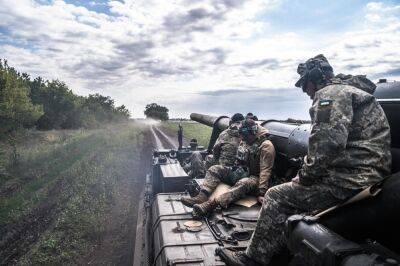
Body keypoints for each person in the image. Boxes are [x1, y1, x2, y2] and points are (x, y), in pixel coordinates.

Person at [217, 54, 392, 265]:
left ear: (314, 79)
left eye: (304, 85)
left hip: (349, 180)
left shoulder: (329, 94)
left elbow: (327, 144)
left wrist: (304, 177)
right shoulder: (354, 92)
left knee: (275, 195)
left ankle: (251, 260)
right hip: (368, 175)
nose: (306, 92)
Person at [181, 118, 276, 217]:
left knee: (244, 182)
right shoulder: (246, 140)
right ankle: (202, 196)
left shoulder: (266, 146)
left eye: (245, 137)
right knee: (215, 169)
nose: (242, 139)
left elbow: (266, 170)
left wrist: (262, 192)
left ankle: (210, 204)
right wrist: (234, 170)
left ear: (253, 133)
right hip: (242, 171)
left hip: (256, 177)